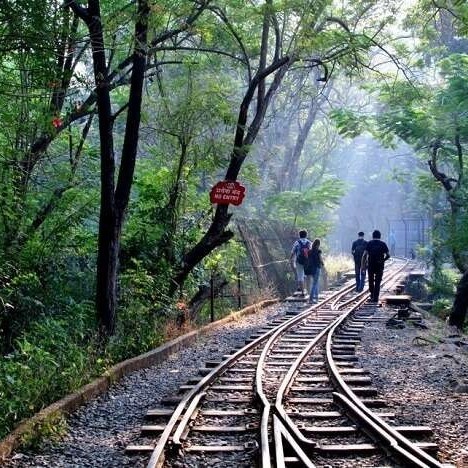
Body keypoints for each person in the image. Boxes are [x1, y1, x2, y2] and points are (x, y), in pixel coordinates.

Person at [361, 230, 390, 303]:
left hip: (371, 265)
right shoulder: (383, 244)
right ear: (380, 236)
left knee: (371, 280)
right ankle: (376, 297)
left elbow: (364, 255)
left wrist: (363, 266)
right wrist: (382, 260)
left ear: (373, 236)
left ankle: (372, 295)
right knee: (378, 281)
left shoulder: (369, 243)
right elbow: (388, 255)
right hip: (380, 266)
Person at [289, 230, 312, 296]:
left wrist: (290, 259)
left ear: (299, 235)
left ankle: (302, 292)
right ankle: (308, 291)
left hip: (299, 261)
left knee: (300, 276)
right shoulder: (309, 242)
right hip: (307, 261)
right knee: (307, 275)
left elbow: (293, 252)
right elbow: (312, 252)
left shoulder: (297, 242)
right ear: (306, 235)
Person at [306, 238, 324, 304]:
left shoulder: (309, 251)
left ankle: (316, 297)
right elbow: (320, 259)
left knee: (315, 282)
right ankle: (311, 299)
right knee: (314, 283)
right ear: (318, 244)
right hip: (317, 268)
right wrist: (323, 264)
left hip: (311, 268)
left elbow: (308, 259)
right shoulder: (318, 251)